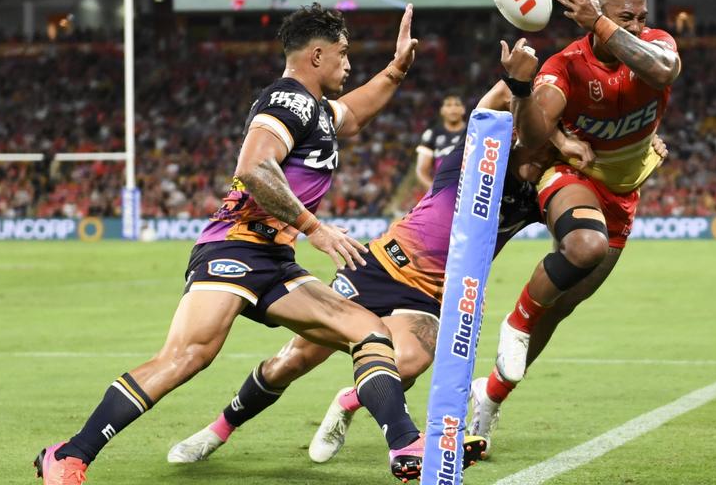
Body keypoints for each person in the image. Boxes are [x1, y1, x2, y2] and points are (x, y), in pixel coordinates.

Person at [35, 4, 430, 484]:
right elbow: (253, 167)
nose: (349, 65)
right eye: (344, 54)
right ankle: (68, 454)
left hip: (273, 260)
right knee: (188, 356)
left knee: (369, 332)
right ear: (318, 54)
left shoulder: (318, 110)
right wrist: (315, 229)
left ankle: (406, 445)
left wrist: (397, 69)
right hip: (235, 248)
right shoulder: (289, 101)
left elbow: (355, 114)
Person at [165, 78, 573, 469]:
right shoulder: (474, 156)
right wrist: (521, 79)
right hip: (379, 267)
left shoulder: (538, 197)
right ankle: (219, 429)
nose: (540, 160)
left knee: (407, 364)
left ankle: (347, 402)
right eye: (538, 146)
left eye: (548, 157)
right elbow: (494, 99)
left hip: (430, 294)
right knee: (293, 360)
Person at [469, 0, 680, 452]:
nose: (638, 26)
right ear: (598, 14)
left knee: (560, 308)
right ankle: (515, 323)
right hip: (571, 177)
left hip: (623, 194)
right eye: (625, 17)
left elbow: (664, 72)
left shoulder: (656, 46)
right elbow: (533, 134)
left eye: (641, 18)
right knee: (585, 246)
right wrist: (526, 95)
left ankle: (491, 397)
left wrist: (607, 26)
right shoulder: (566, 66)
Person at [414, 95, 465, 188]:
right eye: (448, 105)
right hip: (443, 189)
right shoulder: (431, 134)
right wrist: (435, 191)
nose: (453, 108)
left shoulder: (473, 131)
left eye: (457, 104)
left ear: (463, 109)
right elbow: (422, 171)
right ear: (442, 110)